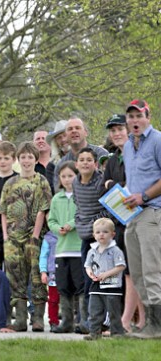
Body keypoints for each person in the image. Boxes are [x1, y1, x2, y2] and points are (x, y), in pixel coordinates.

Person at [0, 141, 52, 332]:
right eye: (23, 157)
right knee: (15, 276)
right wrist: (5, 235)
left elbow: (42, 209)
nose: (26, 160)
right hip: (12, 237)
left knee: (36, 276)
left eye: (30, 157)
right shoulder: (10, 183)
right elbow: (3, 210)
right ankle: (20, 319)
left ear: (35, 159)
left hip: (33, 236)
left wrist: (35, 235)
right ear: (18, 160)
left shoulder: (41, 181)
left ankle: (37, 318)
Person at [101, 113, 145, 333]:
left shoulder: (138, 153)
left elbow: (135, 185)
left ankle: (132, 321)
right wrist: (114, 185)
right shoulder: (112, 159)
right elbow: (104, 186)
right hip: (120, 221)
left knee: (139, 272)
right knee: (129, 272)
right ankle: (136, 321)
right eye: (113, 130)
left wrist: (113, 184)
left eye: (119, 129)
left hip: (142, 218)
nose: (116, 133)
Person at [122, 99, 161, 339]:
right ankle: (149, 325)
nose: (135, 121)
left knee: (152, 270)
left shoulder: (157, 140)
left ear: (148, 116)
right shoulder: (127, 146)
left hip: (152, 212)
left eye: (139, 116)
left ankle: (158, 325)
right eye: (131, 117)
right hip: (131, 215)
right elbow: (133, 181)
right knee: (136, 272)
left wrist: (144, 196)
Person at [73, 147, 110, 334]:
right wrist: (83, 225)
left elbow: (108, 209)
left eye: (89, 160)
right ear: (76, 164)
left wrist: (94, 227)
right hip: (85, 238)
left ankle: (101, 321)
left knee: (99, 279)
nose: (85, 163)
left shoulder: (100, 182)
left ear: (95, 164)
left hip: (101, 238)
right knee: (87, 278)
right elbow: (78, 207)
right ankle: (89, 320)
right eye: (82, 160)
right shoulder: (75, 183)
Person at [48, 161, 84, 333]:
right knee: (63, 287)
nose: (67, 179)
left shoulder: (81, 195)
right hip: (62, 250)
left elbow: (82, 214)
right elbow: (51, 220)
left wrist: (71, 224)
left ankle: (83, 322)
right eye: (64, 176)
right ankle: (67, 322)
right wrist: (57, 228)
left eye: (71, 175)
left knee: (81, 287)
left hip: (78, 249)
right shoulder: (57, 198)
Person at [83, 218, 126, 340]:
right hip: (96, 286)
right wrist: (90, 273)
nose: (101, 234)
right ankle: (94, 333)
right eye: (98, 232)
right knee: (94, 311)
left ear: (113, 234)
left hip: (112, 286)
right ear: (93, 235)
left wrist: (106, 274)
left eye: (105, 232)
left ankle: (117, 333)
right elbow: (87, 265)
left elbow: (121, 266)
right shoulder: (92, 251)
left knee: (113, 312)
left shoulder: (115, 250)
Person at [53, 117, 108, 190]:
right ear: (66, 135)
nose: (74, 131)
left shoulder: (102, 154)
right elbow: (59, 191)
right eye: (70, 129)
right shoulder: (61, 164)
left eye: (77, 128)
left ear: (86, 133)